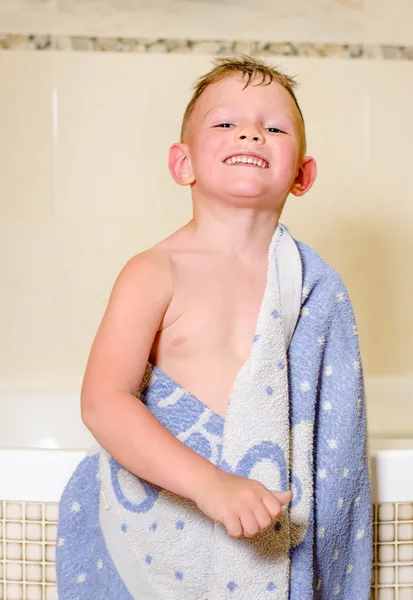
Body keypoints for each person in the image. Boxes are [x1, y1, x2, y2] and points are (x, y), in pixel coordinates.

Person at [56, 56, 372, 600]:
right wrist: (209, 485)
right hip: (175, 513)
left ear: (302, 174)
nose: (251, 131)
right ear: (183, 163)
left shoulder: (312, 288)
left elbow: (330, 426)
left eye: (274, 127)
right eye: (225, 123)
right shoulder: (156, 271)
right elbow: (104, 401)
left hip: (270, 508)